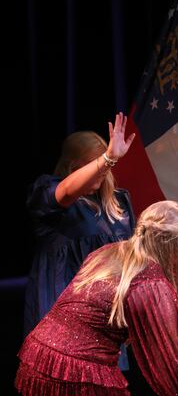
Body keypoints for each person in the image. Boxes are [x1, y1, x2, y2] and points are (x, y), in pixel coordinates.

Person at [15, 200, 178, 396]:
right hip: (75, 373)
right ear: (172, 242)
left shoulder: (107, 253)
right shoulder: (150, 283)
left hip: (40, 356)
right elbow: (168, 364)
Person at [24, 112, 136, 336]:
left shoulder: (118, 203)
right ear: (72, 166)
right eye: (96, 164)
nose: (103, 171)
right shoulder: (49, 194)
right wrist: (107, 158)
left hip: (108, 317)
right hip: (65, 317)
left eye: (107, 165)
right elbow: (66, 191)